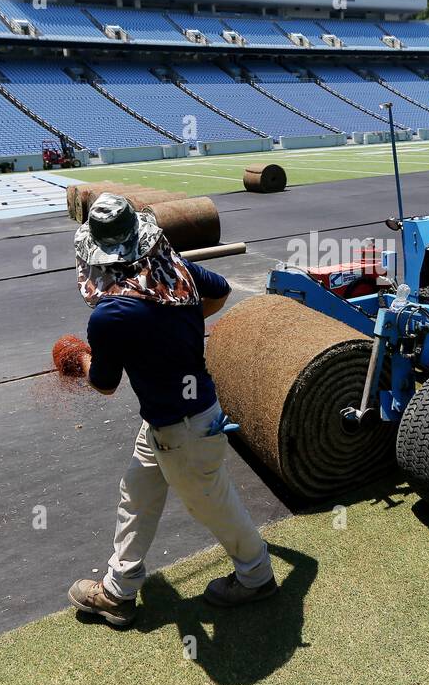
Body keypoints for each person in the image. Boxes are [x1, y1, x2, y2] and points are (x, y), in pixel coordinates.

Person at [67, 194, 276, 628]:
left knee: (213, 504)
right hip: (175, 420)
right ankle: (118, 590)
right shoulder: (172, 268)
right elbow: (219, 291)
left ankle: (257, 576)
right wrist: (179, 330)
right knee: (137, 494)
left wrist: (80, 360)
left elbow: (104, 385)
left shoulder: (112, 315)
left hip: (182, 430)